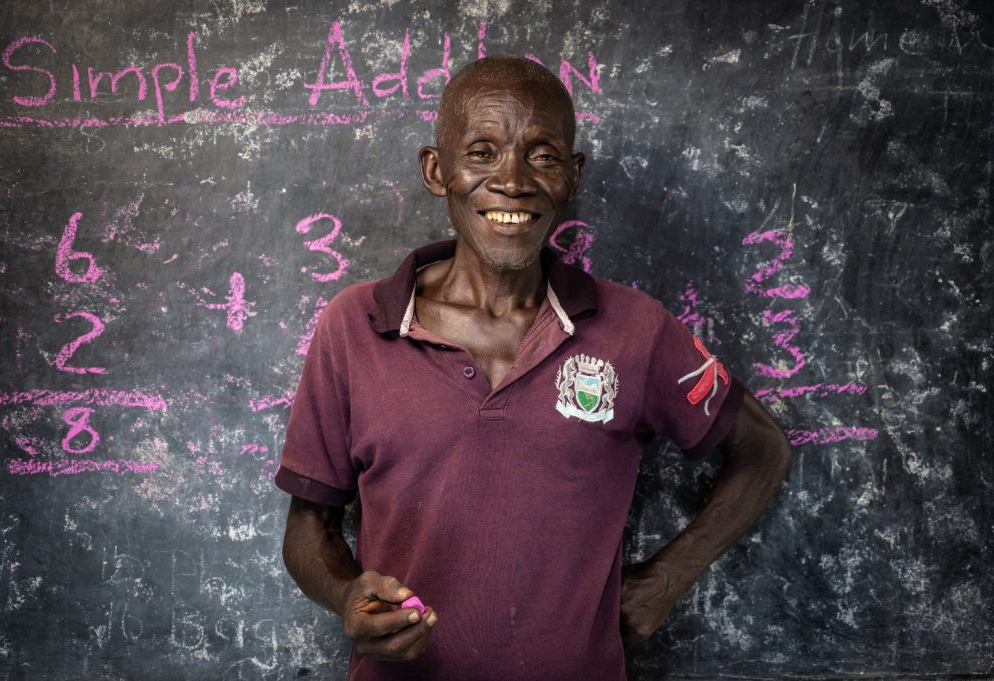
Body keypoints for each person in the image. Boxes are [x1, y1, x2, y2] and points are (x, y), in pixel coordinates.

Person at [276, 54, 792, 680]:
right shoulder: (355, 325)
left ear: (572, 176)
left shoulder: (635, 328)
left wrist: (667, 577)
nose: (513, 180)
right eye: (482, 152)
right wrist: (345, 596)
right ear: (436, 171)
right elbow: (310, 526)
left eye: (543, 155)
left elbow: (761, 447)